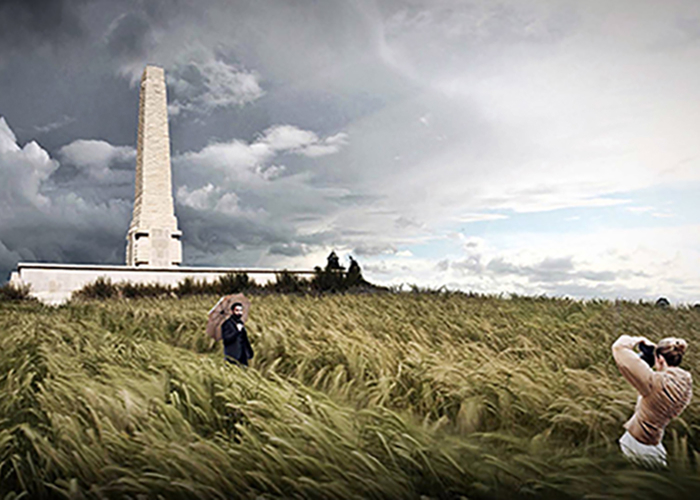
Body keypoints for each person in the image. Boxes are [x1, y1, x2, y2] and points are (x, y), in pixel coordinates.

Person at [612, 334, 692, 467]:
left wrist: (638, 339)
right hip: (655, 445)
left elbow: (618, 347)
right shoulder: (685, 383)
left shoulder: (653, 383)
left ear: (660, 359)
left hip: (636, 444)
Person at [221, 302, 254, 366]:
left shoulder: (240, 323)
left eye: (241, 310)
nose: (239, 312)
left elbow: (244, 338)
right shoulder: (227, 324)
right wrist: (237, 331)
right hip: (233, 355)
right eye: (237, 310)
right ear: (232, 311)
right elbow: (226, 339)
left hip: (243, 354)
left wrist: (249, 352)